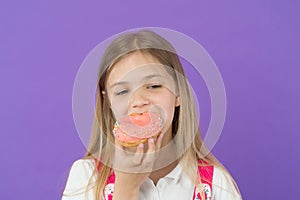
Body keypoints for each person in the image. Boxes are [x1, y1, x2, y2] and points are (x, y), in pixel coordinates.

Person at [62, 30, 242, 200]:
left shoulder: (216, 182)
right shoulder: (86, 177)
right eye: (122, 91)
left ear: (178, 92)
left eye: (154, 86)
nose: (138, 101)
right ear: (108, 101)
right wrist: (126, 188)